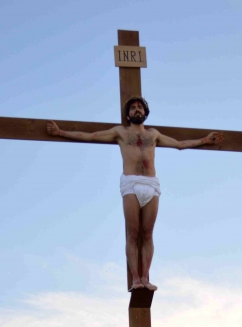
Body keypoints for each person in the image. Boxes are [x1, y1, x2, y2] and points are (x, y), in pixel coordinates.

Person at [47, 97, 223, 291]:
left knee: (147, 234)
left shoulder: (153, 134)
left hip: (151, 184)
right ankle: (136, 280)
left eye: (140, 107)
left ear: (145, 112)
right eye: (133, 108)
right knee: (133, 233)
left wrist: (204, 140)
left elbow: (179, 144)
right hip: (131, 183)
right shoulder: (120, 132)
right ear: (128, 114)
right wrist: (60, 132)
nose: (137, 110)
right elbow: (90, 136)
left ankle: (146, 278)